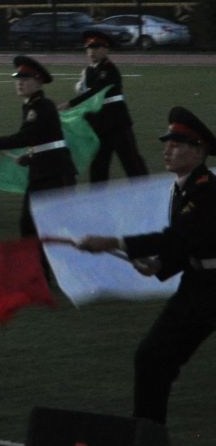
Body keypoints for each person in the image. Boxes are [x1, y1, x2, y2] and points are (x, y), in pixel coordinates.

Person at [78, 108, 216, 425]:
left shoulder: (206, 189)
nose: (167, 149)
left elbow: (178, 235)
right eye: (167, 142)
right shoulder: (187, 186)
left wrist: (113, 242)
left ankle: (145, 441)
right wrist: (159, 264)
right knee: (155, 357)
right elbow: (190, 241)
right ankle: (147, 439)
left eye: (177, 144)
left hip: (209, 287)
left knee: (155, 357)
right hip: (201, 284)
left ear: (199, 151)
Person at [0, 55, 76, 241]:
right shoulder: (32, 105)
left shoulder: (42, 106)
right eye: (18, 79)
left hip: (55, 173)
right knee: (29, 225)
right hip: (42, 171)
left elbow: (26, 137)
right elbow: (43, 138)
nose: (19, 83)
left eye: (25, 79)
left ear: (38, 81)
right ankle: (37, 267)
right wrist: (29, 157)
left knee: (55, 228)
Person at [71, 32, 147, 185]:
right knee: (98, 167)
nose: (92, 52)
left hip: (117, 124)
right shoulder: (87, 72)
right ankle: (98, 202)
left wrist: (71, 103)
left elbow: (98, 89)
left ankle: (146, 195)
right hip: (98, 126)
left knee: (131, 162)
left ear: (106, 50)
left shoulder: (109, 69)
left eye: (96, 48)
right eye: (89, 48)